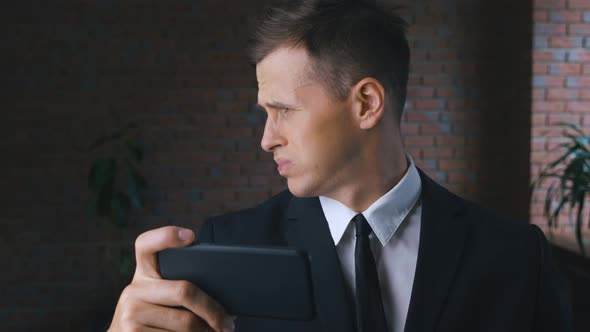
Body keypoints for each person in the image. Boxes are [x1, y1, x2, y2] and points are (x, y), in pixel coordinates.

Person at [108, 0, 574, 331]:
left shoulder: (516, 259)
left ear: (366, 103)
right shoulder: (226, 246)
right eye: (264, 113)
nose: (267, 138)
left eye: (283, 110)